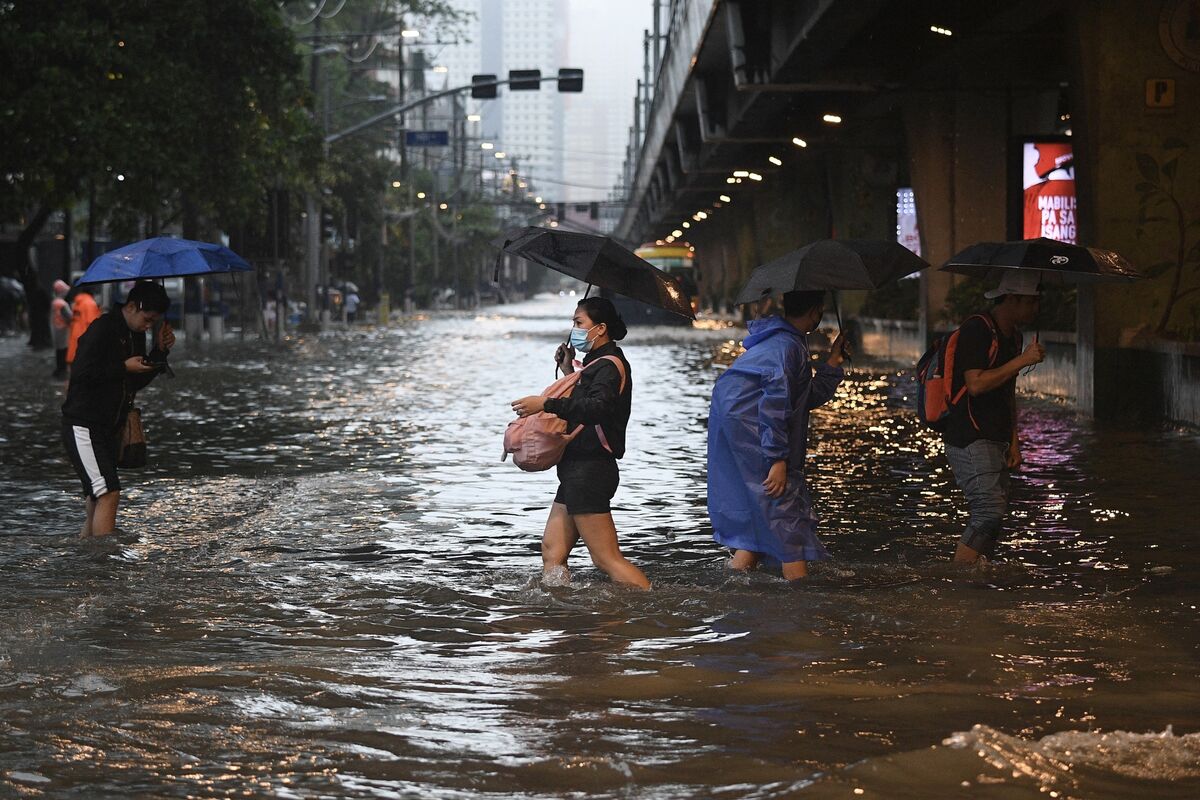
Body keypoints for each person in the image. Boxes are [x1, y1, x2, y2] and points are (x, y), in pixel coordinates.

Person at [510, 297, 650, 590]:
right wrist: (567, 370)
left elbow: (597, 408)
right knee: (552, 551)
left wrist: (546, 404)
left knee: (606, 558)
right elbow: (587, 401)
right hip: (576, 470)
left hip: (591, 470)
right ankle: (564, 610)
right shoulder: (595, 366)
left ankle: (650, 603)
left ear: (599, 328)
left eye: (578, 323)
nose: (573, 328)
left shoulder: (610, 366)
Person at [707, 290, 848, 580]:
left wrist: (832, 363)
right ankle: (800, 605)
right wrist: (777, 459)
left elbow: (801, 398)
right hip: (753, 433)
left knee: (762, 515)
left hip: (738, 428)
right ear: (814, 311)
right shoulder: (786, 347)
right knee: (786, 520)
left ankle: (735, 585)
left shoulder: (781, 343)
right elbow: (775, 405)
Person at [942, 270, 1045, 564]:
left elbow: (1007, 392)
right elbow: (975, 384)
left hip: (997, 435)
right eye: (1030, 302)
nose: (1035, 309)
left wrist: (1015, 442)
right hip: (971, 435)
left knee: (995, 515)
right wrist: (1023, 360)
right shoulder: (977, 328)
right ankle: (957, 577)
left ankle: (979, 579)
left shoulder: (1014, 337)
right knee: (988, 510)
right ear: (1011, 299)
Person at [61, 281, 175, 538]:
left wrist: (159, 352)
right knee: (108, 492)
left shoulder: (136, 333)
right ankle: (104, 566)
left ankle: (88, 561)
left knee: (96, 497)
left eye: (154, 322)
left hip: (109, 426)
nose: (148, 326)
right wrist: (122, 367)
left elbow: (134, 382)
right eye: (147, 319)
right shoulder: (103, 328)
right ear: (132, 306)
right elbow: (82, 374)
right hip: (83, 425)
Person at [66, 286, 101, 370]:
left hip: (75, 334)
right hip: (84, 338)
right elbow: (93, 324)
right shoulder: (90, 303)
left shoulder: (78, 302)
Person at [50, 280, 73, 378]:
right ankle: (62, 370)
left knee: (58, 350)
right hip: (63, 329)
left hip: (56, 328)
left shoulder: (54, 302)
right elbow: (70, 317)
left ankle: (58, 369)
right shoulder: (63, 304)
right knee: (64, 350)